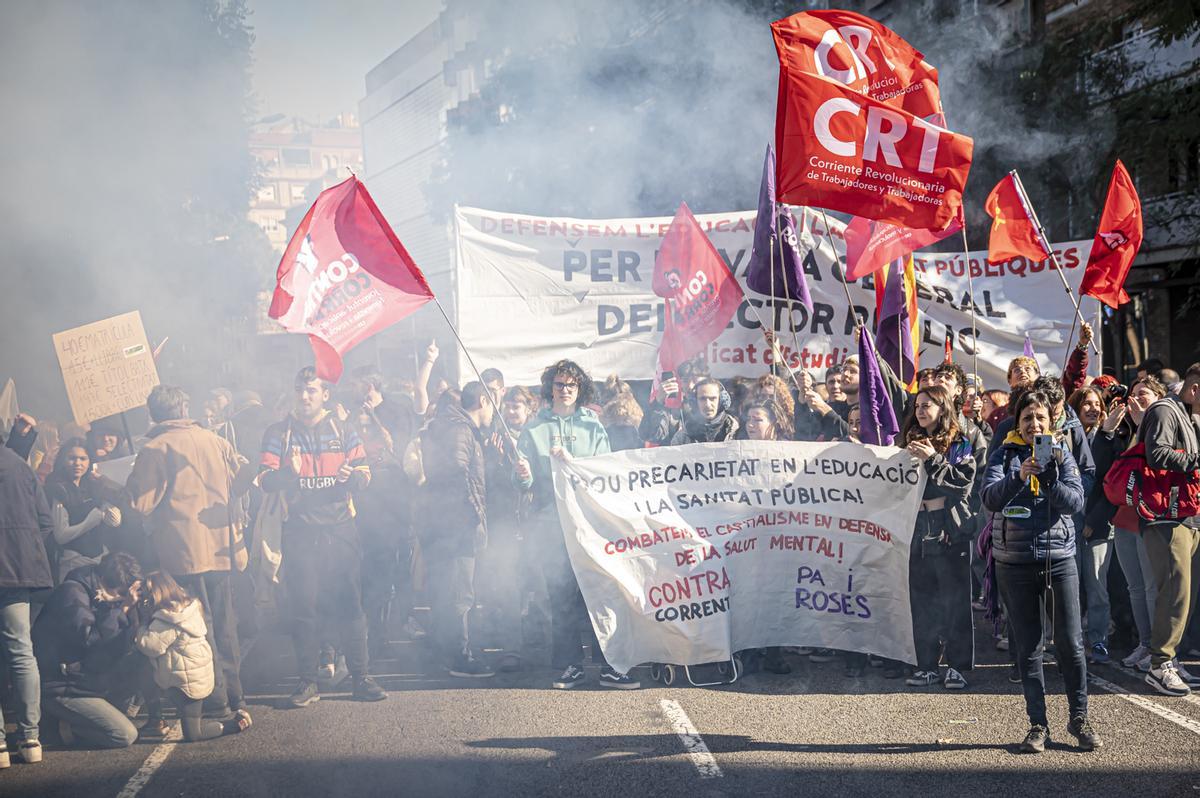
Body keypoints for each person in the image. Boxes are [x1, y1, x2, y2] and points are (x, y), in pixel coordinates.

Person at [259, 367, 386, 707]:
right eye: (300, 389)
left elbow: (365, 473)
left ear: (325, 395)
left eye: (312, 390)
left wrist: (351, 477)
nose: (305, 396)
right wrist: (289, 473)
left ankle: (361, 677)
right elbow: (264, 480)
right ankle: (307, 682)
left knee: (350, 606)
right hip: (300, 532)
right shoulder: (278, 432)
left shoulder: (343, 429)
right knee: (304, 609)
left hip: (341, 529)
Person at [126, 385, 254, 722]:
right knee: (225, 625)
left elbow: (141, 502)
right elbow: (240, 476)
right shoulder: (214, 439)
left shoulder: (156, 448)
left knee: (198, 627)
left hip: (182, 552)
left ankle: (216, 701)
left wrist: (112, 485)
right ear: (184, 407)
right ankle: (236, 696)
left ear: (153, 413)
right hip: (221, 546)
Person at [983, 389, 1099, 752]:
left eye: (1040, 419)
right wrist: (1019, 477)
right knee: (1029, 648)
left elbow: (1076, 502)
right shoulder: (1004, 454)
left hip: (1059, 559)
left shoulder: (1061, 456)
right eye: (1027, 418)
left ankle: (1079, 718)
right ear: (1016, 423)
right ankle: (1038, 725)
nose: (1034, 424)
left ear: (1051, 423)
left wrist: (1048, 478)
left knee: (1070, 643)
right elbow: (989, 498)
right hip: (1013, 562)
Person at [516, 360, 635, 688]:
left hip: (588, 521)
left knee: (598, 590)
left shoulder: (593, 426)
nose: (565, 390)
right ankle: (571, 664)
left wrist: (575, 464)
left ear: (580, 389)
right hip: (550, 521)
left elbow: (603, 472)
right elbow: (523, 481)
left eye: (571, 385)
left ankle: (610, 663)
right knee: (561, 595)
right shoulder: (534, 427)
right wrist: (522, 473)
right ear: (549, 388)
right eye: (559, 385)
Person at [899, 386, 977, 690]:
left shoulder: (960, 445)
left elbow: (962, 485)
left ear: (942, 408)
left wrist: (933, 458)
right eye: (917, 405)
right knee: (922, 602)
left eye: (927, 405)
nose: (920, 410)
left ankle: (956, 666)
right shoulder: (906, 443)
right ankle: (927, 666)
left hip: (949, 532)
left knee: (954, 603)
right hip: (916, 531)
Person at [420, 381, 494, 678]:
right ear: (481, 401)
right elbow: (456, 472)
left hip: (442, 523)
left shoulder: (450, 425)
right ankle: (459, 656)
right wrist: (472, 514)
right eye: (492, 402)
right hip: (455, 525)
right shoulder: (461, 429)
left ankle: (442, 654)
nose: (493, 410)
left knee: (447, 590)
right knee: (460, 593)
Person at [33, 552, 143, 750]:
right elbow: (91, 639)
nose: (121, 596)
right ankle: (59, 729)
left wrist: (132, 610)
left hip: (88, 680)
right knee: (124, 734)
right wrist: (121, 610)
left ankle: (85, 719)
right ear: (102, 580)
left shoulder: (105, 593)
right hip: (62, 686)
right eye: (119, 591)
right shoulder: (72, 593)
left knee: (145, 666)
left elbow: (123, 642)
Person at [1091, 377, 1162, 672]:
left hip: (1150, 516)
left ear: (1158, 398)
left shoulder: (1162, 424)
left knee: (1150, 587)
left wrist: (1145, 422)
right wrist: (1107, 432)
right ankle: (1144, 643)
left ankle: (1160, 650)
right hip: (1124, 517)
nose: (1135, 399)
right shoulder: (1122, 430)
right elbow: (1100, 468)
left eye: (1143, 394)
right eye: (1133, 394)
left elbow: (1156, 460)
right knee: (1135, 586)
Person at [1137, 363, 1200, 697]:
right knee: (1175, 591)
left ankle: (1170, 660)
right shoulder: (1165, 410)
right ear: (1193, 389)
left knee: (1184, 594)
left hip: (1185, 516)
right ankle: (1159, 664)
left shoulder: (1187, 414)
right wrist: (1195, 456)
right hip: (1164, 516)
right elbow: (1156, 453)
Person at [134, 570, 251, 740]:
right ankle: (156, 721)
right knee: (148, 670)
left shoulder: (167, 619)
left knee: (194, 734)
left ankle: (236, 724)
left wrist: (142, 623)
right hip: (197, 678)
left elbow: (149, 646)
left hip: (185, 687)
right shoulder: (190, 607)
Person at [0, 439, 54, 766]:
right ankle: (30, 739)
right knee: (21, 649)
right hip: (18, 571)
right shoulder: (21, 466)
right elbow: (45, 522)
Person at [479, 386, 538, 671]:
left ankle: (543, 641)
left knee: (539, 582)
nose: (512, 412)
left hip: (533, 519)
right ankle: (511, 647)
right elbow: (488, 482)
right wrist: (494, 458)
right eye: (509, 407)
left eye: (518, 407)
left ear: (529, 410)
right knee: (509, 585)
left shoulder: (536, 437)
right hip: (505, 521)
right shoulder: (494, 438)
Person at [1068, 385, 1115, 664]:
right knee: (1069, 589)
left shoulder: (1110, 438)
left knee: (1097, 587)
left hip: (1098, 527)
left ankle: (1098, 641)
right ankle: (1070, 642)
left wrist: (1093, 520)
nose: (1093, 408)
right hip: (1068, 525)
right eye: (1087, 403)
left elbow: (1110, 485)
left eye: (1098, 404)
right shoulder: (1067, 437)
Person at [44, 438, 123, 581]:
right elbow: (61, 535)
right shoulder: (57, 488)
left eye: (83, 458)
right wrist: (90, 521)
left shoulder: (92, 486)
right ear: (62, 460)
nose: (78, 463)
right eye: (72, 458)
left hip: (99, 559)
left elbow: (114, 522)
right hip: (72, 564)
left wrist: (109, 505)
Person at [671, 378, 738, 445]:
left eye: (713, 398)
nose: (708, 405)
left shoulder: (737, 433)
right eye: (702, 399)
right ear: (694, 402)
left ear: (721, 400)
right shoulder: (682, 438)